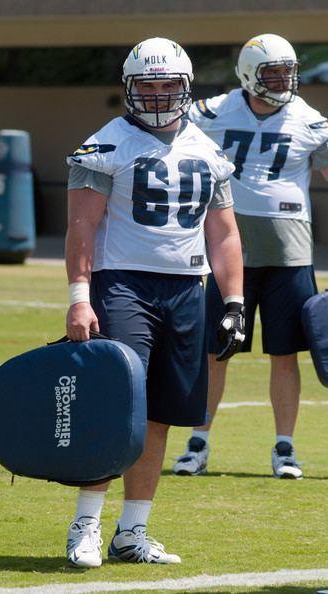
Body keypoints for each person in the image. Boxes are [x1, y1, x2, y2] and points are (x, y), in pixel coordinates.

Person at [64, 37, 244, 568]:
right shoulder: (104, 143)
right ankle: (87, 523)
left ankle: (132, 531)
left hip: (188, 288)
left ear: (186, 87)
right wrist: (79, 297)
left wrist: (232, 300)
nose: (160, 95)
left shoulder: (208, 149)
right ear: (129, 88)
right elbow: (81, 227)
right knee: (120, 407)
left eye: (169, 85)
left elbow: (226, 233)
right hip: (124, 285)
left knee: (162, 412)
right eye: (149, 85)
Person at [173, 33, 328, 481]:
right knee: (215, 351)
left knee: (286, 354)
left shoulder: (309, 120)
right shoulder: (214, 111)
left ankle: (285, 447)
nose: (282, 81)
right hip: (229, 250)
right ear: (248, 74)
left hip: (290, 251)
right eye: (272, 73)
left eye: (287, 72)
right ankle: (198, 442)